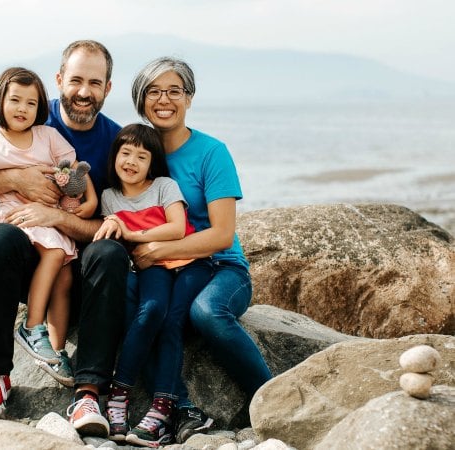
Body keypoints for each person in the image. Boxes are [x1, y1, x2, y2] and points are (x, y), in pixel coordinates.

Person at [0, 40, 128, 432]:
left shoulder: (117, 141)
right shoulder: (26, 115)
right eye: (76, 79)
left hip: (81, 264)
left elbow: (114, 221)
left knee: (110, 254)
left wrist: (57, 216)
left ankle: (87, 394)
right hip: (28, 255)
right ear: (60, 79)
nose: (84, 91)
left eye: (94, 83)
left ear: (108, 89)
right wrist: (14, 178)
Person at [128, 57, 273, 444]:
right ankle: (181, 409)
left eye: (174, 90)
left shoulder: (211, 152)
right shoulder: (135, 156)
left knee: (206, 312)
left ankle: (272, 397)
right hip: (166, 271)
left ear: (189, 98)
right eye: (154, 91)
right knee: (140, 310)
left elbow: (223, 234)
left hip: (221, 268)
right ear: (140, 101)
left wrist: (158, 251)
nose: (164, 99)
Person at [0, 66, 98, 390]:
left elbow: (74, 169)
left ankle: (56, 348)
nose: (22, 108)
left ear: (40, 108)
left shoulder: (47, 137)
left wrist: (85, 198)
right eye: (15, 100)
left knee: (64, 278)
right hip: (17, 218)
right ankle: (32, 327)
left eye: (31, 103)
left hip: (50, 216)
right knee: (52, 253)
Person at [93, 123, 212, 446]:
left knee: (172, 320)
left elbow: (176, 228)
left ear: (152, 163)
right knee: (151, 310)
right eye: (125, 152)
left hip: (190, 263)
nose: (131, 161)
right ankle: (119, 396)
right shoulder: (109, 197)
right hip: (152, 267)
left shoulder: (163, 185)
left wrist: (131, 233)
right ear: (114, 155)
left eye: (141, 156)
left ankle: (162, 408)